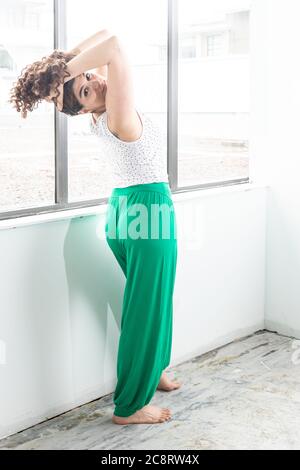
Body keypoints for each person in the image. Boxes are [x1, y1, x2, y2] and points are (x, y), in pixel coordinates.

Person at [9, 30, 181, 425]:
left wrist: (60, 67)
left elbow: (103, 37)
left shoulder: (103, 110)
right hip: (148, 210)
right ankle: (129, 406)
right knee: (147, 308)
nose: (94, 80)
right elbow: (115, 44)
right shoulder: (117, 114)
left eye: (89, 78)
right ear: (85, 109)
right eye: (85, 90)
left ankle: (154, 369)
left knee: (154, 300)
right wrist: (59, 75)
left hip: (124, 210)